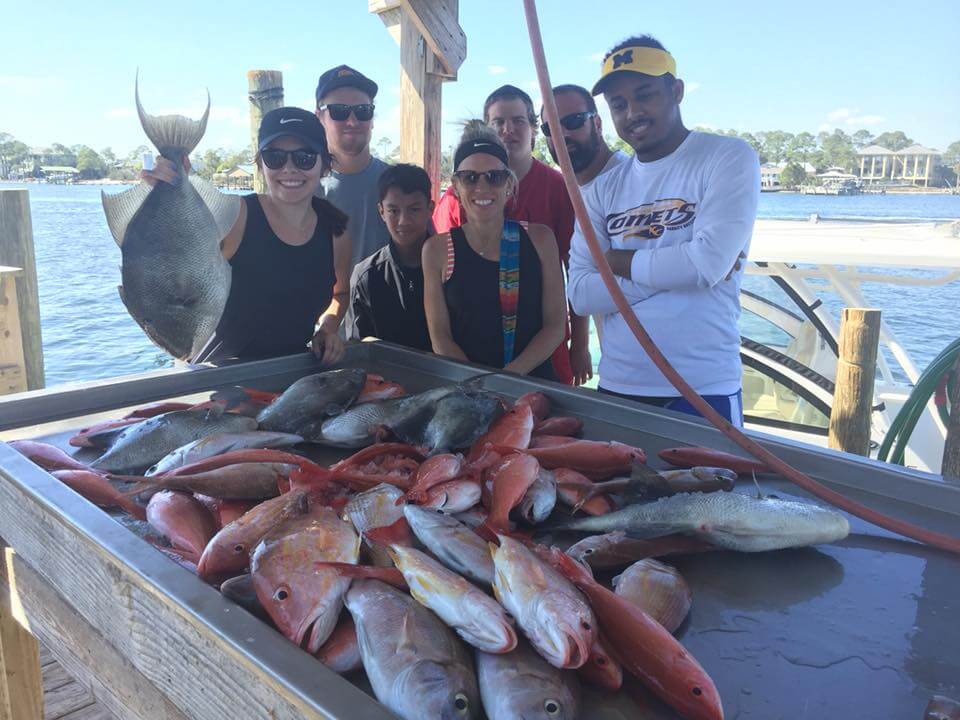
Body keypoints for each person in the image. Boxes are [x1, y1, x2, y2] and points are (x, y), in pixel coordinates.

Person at [567, 36, 759, 425]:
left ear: (677, 90)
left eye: (645, 95)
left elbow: (704, 264)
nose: (633, 112)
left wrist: (616, 260)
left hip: (705, 389)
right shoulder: (602, 189)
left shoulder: (727, 157)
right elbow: (581, 295)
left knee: (715, 490)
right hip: (619, 385)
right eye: (618, 104)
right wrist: (685, 268)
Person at [143, 107, 351, 365]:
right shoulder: (233, 217)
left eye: (304, 157)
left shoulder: (335, 234)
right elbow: (170, 259)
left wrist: (328, 328)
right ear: (260, 165)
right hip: (213, 375)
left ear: (324, 166)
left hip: (290, 374)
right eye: (274, 157)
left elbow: (340, 295)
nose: (289, 168)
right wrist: (165, 186)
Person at [433, 85, 591, 387]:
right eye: (499, 122)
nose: (509, 130)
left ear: (533, 127)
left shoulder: (558, 188)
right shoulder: (455, 199)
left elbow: (577, 268)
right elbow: (445, 273)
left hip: (543, 347)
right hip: (471, 355)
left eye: (519, 121)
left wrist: (580, 343)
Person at [422, 122, 565, 380]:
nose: (482, 187)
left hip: (532, 389)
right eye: (470, 177)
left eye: (495, 177)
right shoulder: (437, 250)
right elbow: (440, 337)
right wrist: (480, 387)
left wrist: (505, 380)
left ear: (509, 185)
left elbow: (554, 327)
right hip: (468, 390)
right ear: (455, 186)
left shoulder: (541, 240)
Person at [347, 163, 434, 351]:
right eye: (393, 211)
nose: (404, 221)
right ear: (381, 212)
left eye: (414, 209)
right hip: (384, 378)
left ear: (430, 209)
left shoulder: (452, 268)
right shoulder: (366, 276)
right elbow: (358, 350)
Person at [314, 65, 391, 268]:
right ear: (319, 117)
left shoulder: (397, 182)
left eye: (363, 111)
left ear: (372, 119)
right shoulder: (304, 190)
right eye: (339, 111)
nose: (352, 121)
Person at [541, 84, 629, 187]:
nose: (561, 136)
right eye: (550, 128)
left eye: (573, 121)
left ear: (597, 124)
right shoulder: (560, 193)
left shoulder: (631, 180)